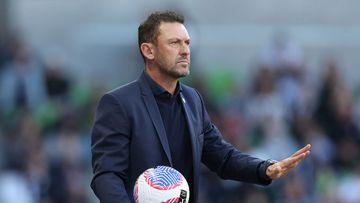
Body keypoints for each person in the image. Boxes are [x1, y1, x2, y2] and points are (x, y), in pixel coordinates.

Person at [90, 11, 311, 203]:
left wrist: (264, 168)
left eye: (187, 42)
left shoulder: (193, 99)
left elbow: (221, 157)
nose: (185, 50)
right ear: (149, 51)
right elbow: (107, 176)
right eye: (174, 43)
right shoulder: (118, 103)